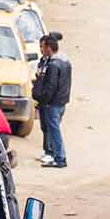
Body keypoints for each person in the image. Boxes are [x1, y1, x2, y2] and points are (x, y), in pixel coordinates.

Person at [32, 36, 72, 168]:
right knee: (53, 130)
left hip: (52, 104)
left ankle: (60, 158)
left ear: (49, 48)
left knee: (54, 131)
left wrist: (43, 100)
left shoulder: (53, 65)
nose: (41, 50)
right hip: (61, 103)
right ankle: (56, 156)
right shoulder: (66, 61)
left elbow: (50, 87)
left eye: (43, 47)